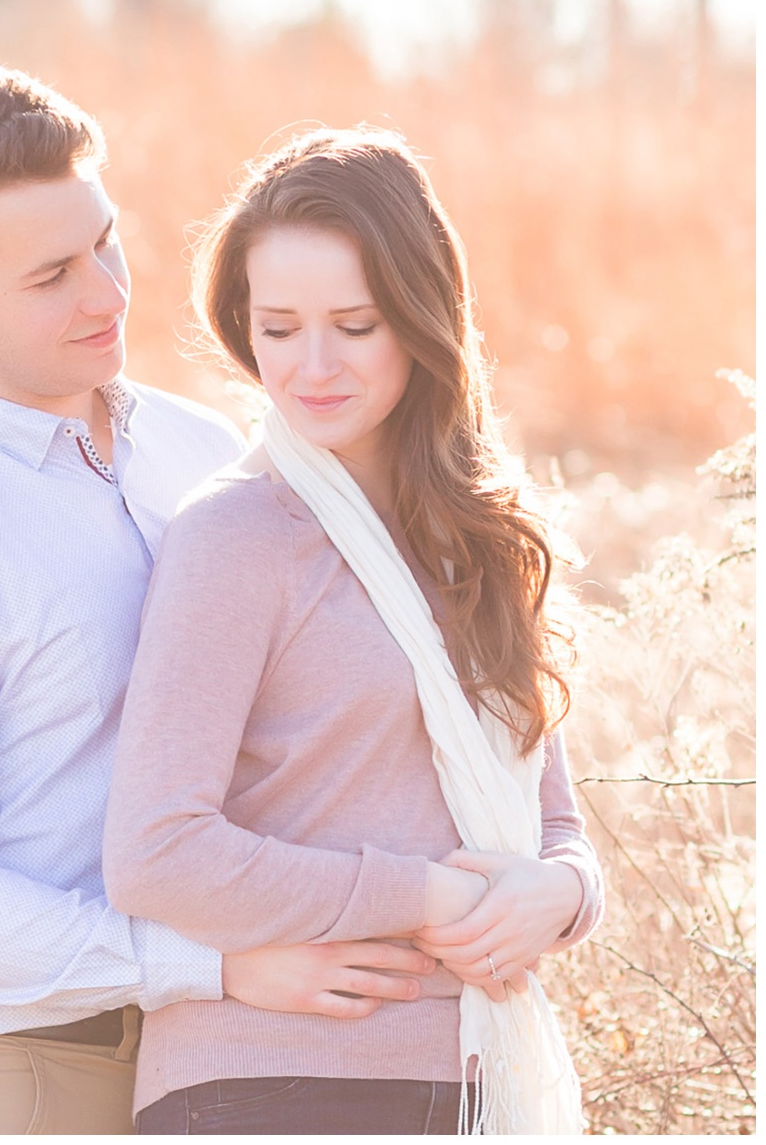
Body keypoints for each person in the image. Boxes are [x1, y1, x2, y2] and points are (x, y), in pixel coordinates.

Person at [0, 68, 444, 1135]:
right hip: (14, 1080)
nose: (105, 293)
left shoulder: (204, 450)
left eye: (106, 242)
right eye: (51, 274)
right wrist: (206, 964)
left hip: (220, 1059)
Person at [103, 126, 605, 1135]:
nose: (311, 366)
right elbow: (156, 853)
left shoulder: (476, 542)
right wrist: (420, 895)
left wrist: (558, 897)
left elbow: (553, 827)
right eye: (278, 328)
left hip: (471, 1074)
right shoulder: (234, 536)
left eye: (354, 324)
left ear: (421, 323)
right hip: (269, 1079)